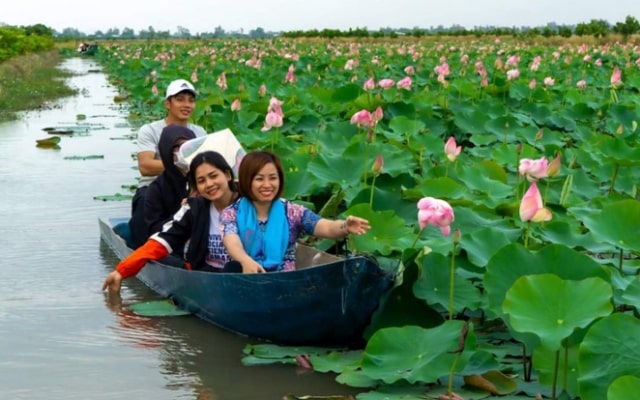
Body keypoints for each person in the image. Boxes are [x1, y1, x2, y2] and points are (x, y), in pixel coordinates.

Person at [103, 151, 239, 294]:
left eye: (213, 176)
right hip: (206, 276)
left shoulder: (247, 204)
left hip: (244, 272)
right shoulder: (194, 208)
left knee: (234, 267)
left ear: (228, 175)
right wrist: (121, 271)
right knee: (157, 257)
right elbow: (161, 241)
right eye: (201, 181)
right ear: (196, 187)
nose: (209, 184)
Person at [220, 151, 371, 274]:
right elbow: (231, 240)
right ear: (247, 180)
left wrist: (345, 226)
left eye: (273, 178)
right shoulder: (231, 213)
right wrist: (245, 261)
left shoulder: (291, 211)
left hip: (285, 284)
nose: (267, 185)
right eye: (259, 179)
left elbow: (323, 226)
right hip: (245, 280)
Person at [128, 79, 207, 249]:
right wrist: (181, 163)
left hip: (189, 188)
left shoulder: (199, 132)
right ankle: (142, 250)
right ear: (167, 103)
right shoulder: (150, 130)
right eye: (180, 99)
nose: (187, 105)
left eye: (191, 100)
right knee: (144, 202)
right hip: (153, 189)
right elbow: (146, 166)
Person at [143, 125, 196, 242]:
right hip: (172, 244)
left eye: (190, 146)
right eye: (181, 146)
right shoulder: (156, 190)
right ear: (168, 150)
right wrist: (183, 212)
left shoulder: (204, 180)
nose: (185, 151)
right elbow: (154, 230)